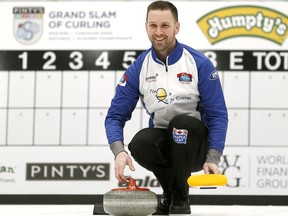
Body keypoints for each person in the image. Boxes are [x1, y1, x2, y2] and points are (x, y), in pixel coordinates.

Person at [105, 1, 228, 215]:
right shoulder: (140, 67)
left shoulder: (198, 63)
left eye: (165, 26)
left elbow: (218, 115)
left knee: (180, 125)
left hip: (196, 144)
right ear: (146, 27)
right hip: (166, 141)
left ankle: (181, 199)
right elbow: (115, 115)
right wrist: (119, 152)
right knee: (141, 143)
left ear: (177, 27)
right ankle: (169, 194)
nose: (159, 32)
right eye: (153, 26)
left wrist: (213, 158)